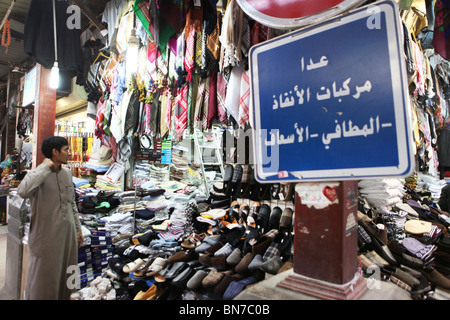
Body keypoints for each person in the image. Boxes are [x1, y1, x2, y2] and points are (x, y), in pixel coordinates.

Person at [17, 136, 83, 300]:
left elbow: (71, 203)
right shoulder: (38, 173)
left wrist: (78, 229)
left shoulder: (67, 174)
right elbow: (22, 191)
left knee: (70, 275)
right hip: (45, 238)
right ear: (55, 152)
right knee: (44, 281)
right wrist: (44, 168)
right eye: (66, 149)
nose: (70, 153)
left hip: (68, 236)